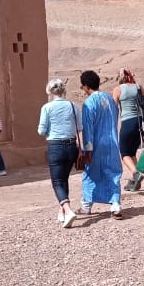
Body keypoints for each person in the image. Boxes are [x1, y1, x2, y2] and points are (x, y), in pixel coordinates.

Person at [38, 78, 82, 228]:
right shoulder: (73, 106)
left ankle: (68, 210)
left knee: (57, 181)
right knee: (64, 179)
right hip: (71, 146)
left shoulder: (47, 107)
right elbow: (80, 127)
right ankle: (62, 212)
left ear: (50, 91)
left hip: (55, 146)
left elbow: (41, 130)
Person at [79, 70, 122, 217]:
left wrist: (87, 150)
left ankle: (86, 206)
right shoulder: (109, 99)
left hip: (96, 144)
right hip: (112, 143)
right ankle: (115, 206)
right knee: (113, 174)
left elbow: (88, 128)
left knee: (90, 174)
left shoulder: (89, 103)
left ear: (86, 86)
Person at [114, 68, 144, 192]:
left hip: (127, 122)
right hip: (139, 122)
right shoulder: (139, 87)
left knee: (124, 153)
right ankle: (135, 182)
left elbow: (114, 108)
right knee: (132, 153)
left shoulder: (118, 89)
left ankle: (136, 173)